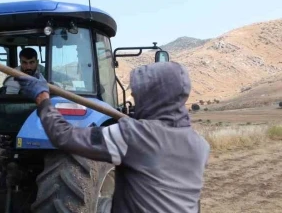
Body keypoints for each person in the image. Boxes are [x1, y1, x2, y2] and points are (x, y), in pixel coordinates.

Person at [15, 61, 209, 213]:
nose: (133, 94)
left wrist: (42, 98)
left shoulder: (133, 136)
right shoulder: (200, 145)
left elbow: (64, 136)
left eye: (139, 94)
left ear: (154, 96)